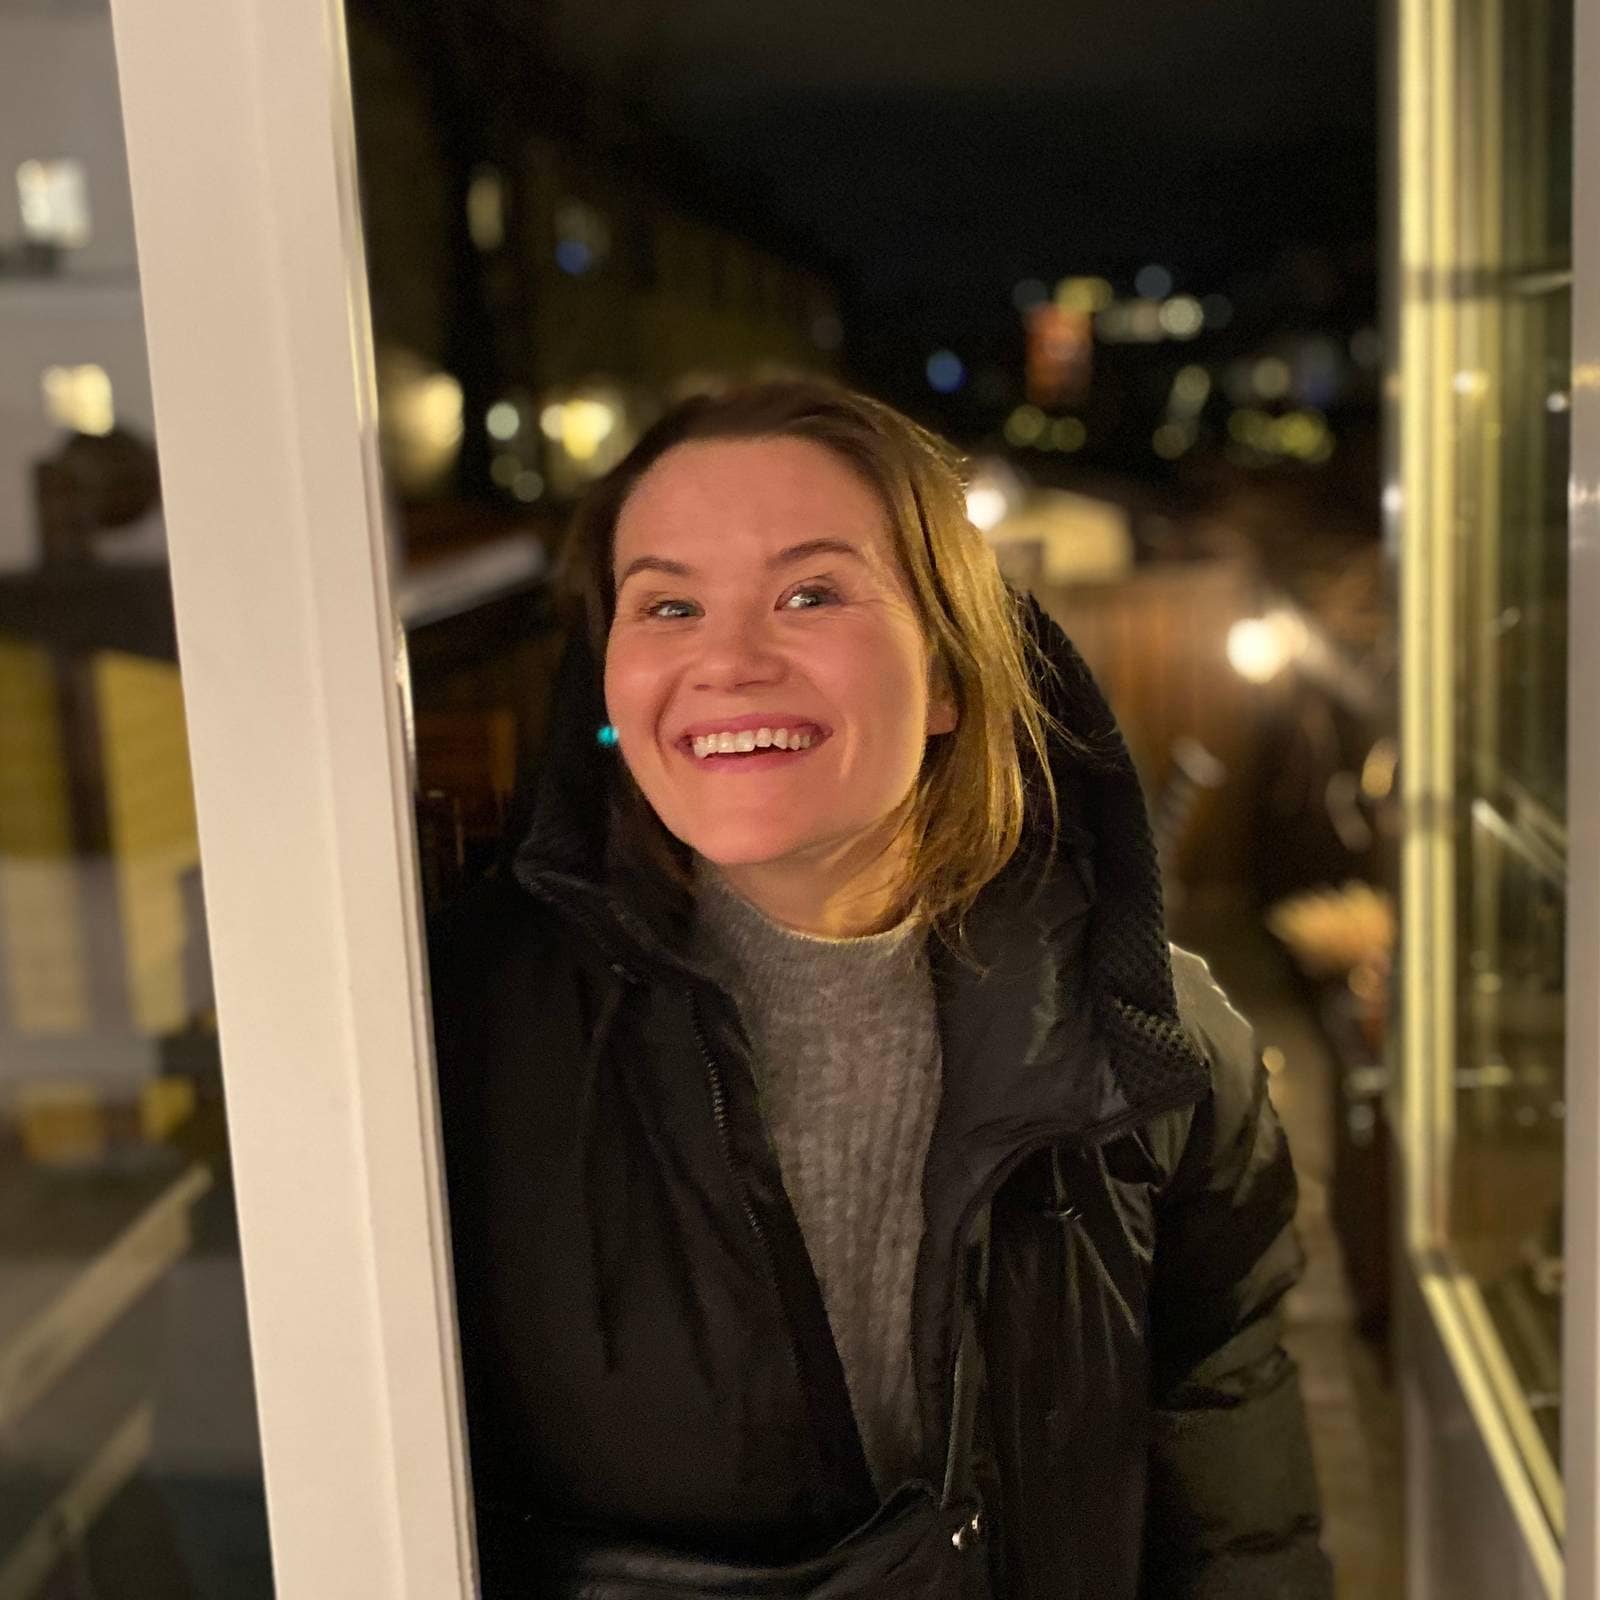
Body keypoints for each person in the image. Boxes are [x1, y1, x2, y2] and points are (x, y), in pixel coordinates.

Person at [428, 379, 1332, 1598]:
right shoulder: (459, 1041)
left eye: (810, 592)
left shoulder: (1144, 1046)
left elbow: (1226, 1465)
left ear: (949, 672)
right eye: (668, 604)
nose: (727, 661)